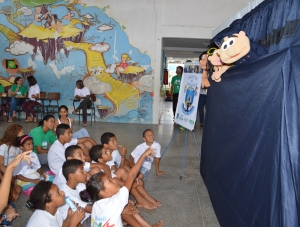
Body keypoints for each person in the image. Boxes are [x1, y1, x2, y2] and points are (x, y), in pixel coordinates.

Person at [85, 148, 163, 227]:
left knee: (128, 206)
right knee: (129, 207)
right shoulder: (116, 202)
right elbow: (132, 175)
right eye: (110, 181)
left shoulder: (96, 205)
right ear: (103, 192)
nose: (114, 181)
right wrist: (143, 156)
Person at [101, 132, 160, 210]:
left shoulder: (114, 152)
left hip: (114, 176)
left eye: (116, 140)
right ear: (106, 145)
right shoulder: (104, 155)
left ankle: (145, 196)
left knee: (127, 168)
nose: (116, 143)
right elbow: (119, 170)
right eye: (113, 141)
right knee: (123, 171)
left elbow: (123, 162)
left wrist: (135, 169)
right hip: (105, 181)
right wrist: (123, 155)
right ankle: (140, 200)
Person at [58, 160, 92, 227]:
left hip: (89, 216)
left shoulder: (79, 185)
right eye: (81, 170)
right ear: (72, 176)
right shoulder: (65, 194)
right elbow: (90, 209)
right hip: (82, 222)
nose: (85, 172)